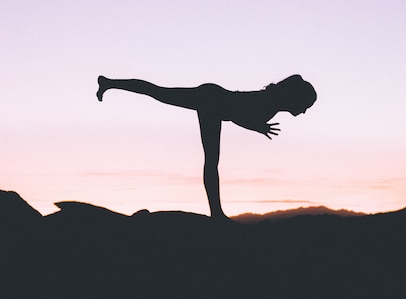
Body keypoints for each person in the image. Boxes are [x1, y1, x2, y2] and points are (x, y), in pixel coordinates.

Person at [96, 75, 317, 219]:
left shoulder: (272, 102)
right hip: (212, 102)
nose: (305, 112)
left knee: (159, 92)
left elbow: (242, 114)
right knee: (211, 160)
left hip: (214, 99)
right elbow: (238, 115)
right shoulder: (270, 104)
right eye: (305, 106)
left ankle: (108, 83)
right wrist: (258, 127)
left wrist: (257, 126)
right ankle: (217, 213)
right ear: (295, 99)